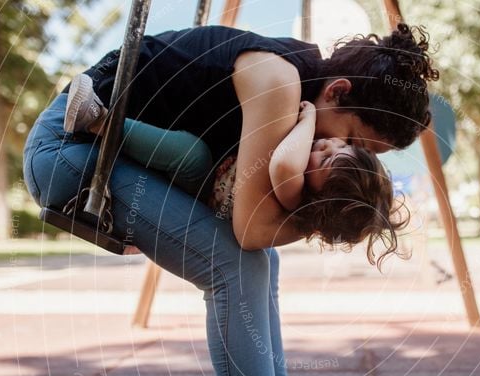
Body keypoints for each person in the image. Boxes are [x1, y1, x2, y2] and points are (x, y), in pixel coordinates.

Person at [23, 23, 438, 376]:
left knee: (263, 262)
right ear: (337, 91)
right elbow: (249, 229)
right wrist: (329, 216)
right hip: (71, 151)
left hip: (119, 159)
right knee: (236, 265)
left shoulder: (301, 91)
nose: (347, 153)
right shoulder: (279, 82)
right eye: (353, 138)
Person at [63, 74, 405, 266]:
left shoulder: (294, 191)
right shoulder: (303, 192)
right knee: (187, 149)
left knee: (190, 153)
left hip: (201, 191)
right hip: (206, 191)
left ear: (321, 198)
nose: (327, 145)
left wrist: (310, 117)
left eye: (328, 161)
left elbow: (284, 163)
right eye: (342, 146)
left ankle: (98, 120)